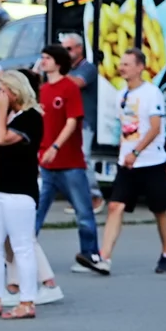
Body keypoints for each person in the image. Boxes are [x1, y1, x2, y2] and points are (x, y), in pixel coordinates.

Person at [97, 49, 166, 275]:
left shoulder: (152, 93)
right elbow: (126, 129)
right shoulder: (121, 94)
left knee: (160, 210)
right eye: (121, 64)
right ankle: (104, 257)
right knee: (114, 206)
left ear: (140, 67)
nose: (122, 68)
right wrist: (125, 153)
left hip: (151, 162)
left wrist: (136, 152)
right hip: (127, 164)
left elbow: (155, 128)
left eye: (127, 64)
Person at [0, 70, 44, 320]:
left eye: (2, 90)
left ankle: (27, 301)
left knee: (22, 246)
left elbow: (2, 138)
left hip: (19, 192)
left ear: (15, 92)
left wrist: (1, 111)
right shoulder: (11, 115)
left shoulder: (31, 117)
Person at [33, 44, 105, 273]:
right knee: (36, 212)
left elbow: (73, 120)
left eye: (47, 58)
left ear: (58, 62)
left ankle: (90, 254)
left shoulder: (69, 87)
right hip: (46, 162)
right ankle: (21, 252)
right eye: (42, 57)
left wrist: (55, 146)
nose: (43, 61)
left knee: (84, 211)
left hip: (70, 162)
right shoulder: (43, 90)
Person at [60, 33, 104, 214]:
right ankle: (78, 197)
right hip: (68, 121)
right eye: (63, 49)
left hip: (84, 121)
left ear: (79, 48)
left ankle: (95, 196)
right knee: (71, 160)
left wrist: (58, 73)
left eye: (69, 49)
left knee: (83, 158)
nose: (66, 53)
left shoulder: (88, 68)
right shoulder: (65, 69)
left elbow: (76, 84)